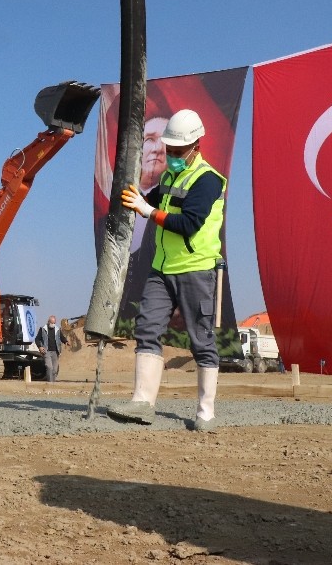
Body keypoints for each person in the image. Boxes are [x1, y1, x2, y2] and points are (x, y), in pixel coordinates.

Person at [107, 109, 227, 432]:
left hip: (196, 270)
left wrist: (149, 212)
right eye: (168, 150)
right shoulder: (169, 179)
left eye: (176, 151)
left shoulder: (208, 181)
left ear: (194, 146)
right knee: (147, 327)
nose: (170, 156)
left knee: (201, 340)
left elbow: (188, 225)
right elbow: (147, 198)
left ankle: (205, 413)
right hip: (162, 270)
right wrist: (132, 198)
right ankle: (143, 402)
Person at [35, 315, 64, 382]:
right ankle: (50, 383)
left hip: (55, 352)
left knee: (55, 369)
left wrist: (66, 341)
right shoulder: (43, 329)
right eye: (52, 323)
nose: (53, 324)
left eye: (54, 323)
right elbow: (37, 339)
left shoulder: (57, 329)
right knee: (49, 367)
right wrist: (40, 347)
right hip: (46, 351)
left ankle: (53, 383)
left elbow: (62, 337)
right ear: (48, 322)